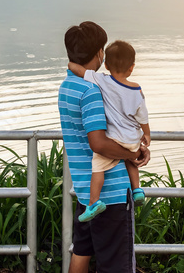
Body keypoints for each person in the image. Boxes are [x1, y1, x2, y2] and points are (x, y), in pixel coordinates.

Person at [58, 21, 150, 273]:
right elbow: (98, 142)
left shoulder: (67, 86)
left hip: (87, 191)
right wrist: (132, 153)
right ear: (99, 53)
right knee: (117, 266)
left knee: (81, 253)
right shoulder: (91, 90)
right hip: (111, 195)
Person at [68, 40, 150, 222]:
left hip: (114, 139)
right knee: (131, 159)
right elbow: (143, 117)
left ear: (105, 64)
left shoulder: (102, 80)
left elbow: (79, 71)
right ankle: (137, 189)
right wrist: (147, 134)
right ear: (132, 67)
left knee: (98, 167)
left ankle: (94, 202)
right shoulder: (136, 90)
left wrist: (70, 63)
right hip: (132, 138)